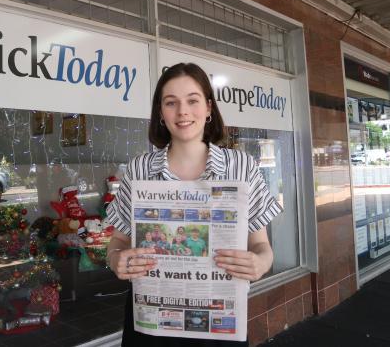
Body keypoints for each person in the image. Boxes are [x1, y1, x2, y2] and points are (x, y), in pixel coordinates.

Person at [105, 63, 283, 346]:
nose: (182, 111)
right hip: (151, 322)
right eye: (171, 102)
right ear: (160, 112)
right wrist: (116, 259)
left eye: (192, 100)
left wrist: (260, 263)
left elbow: (262, 246)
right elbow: (117, 242)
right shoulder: (140, 169)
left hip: (219, 321)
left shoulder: (241, 167)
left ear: (209, 107)